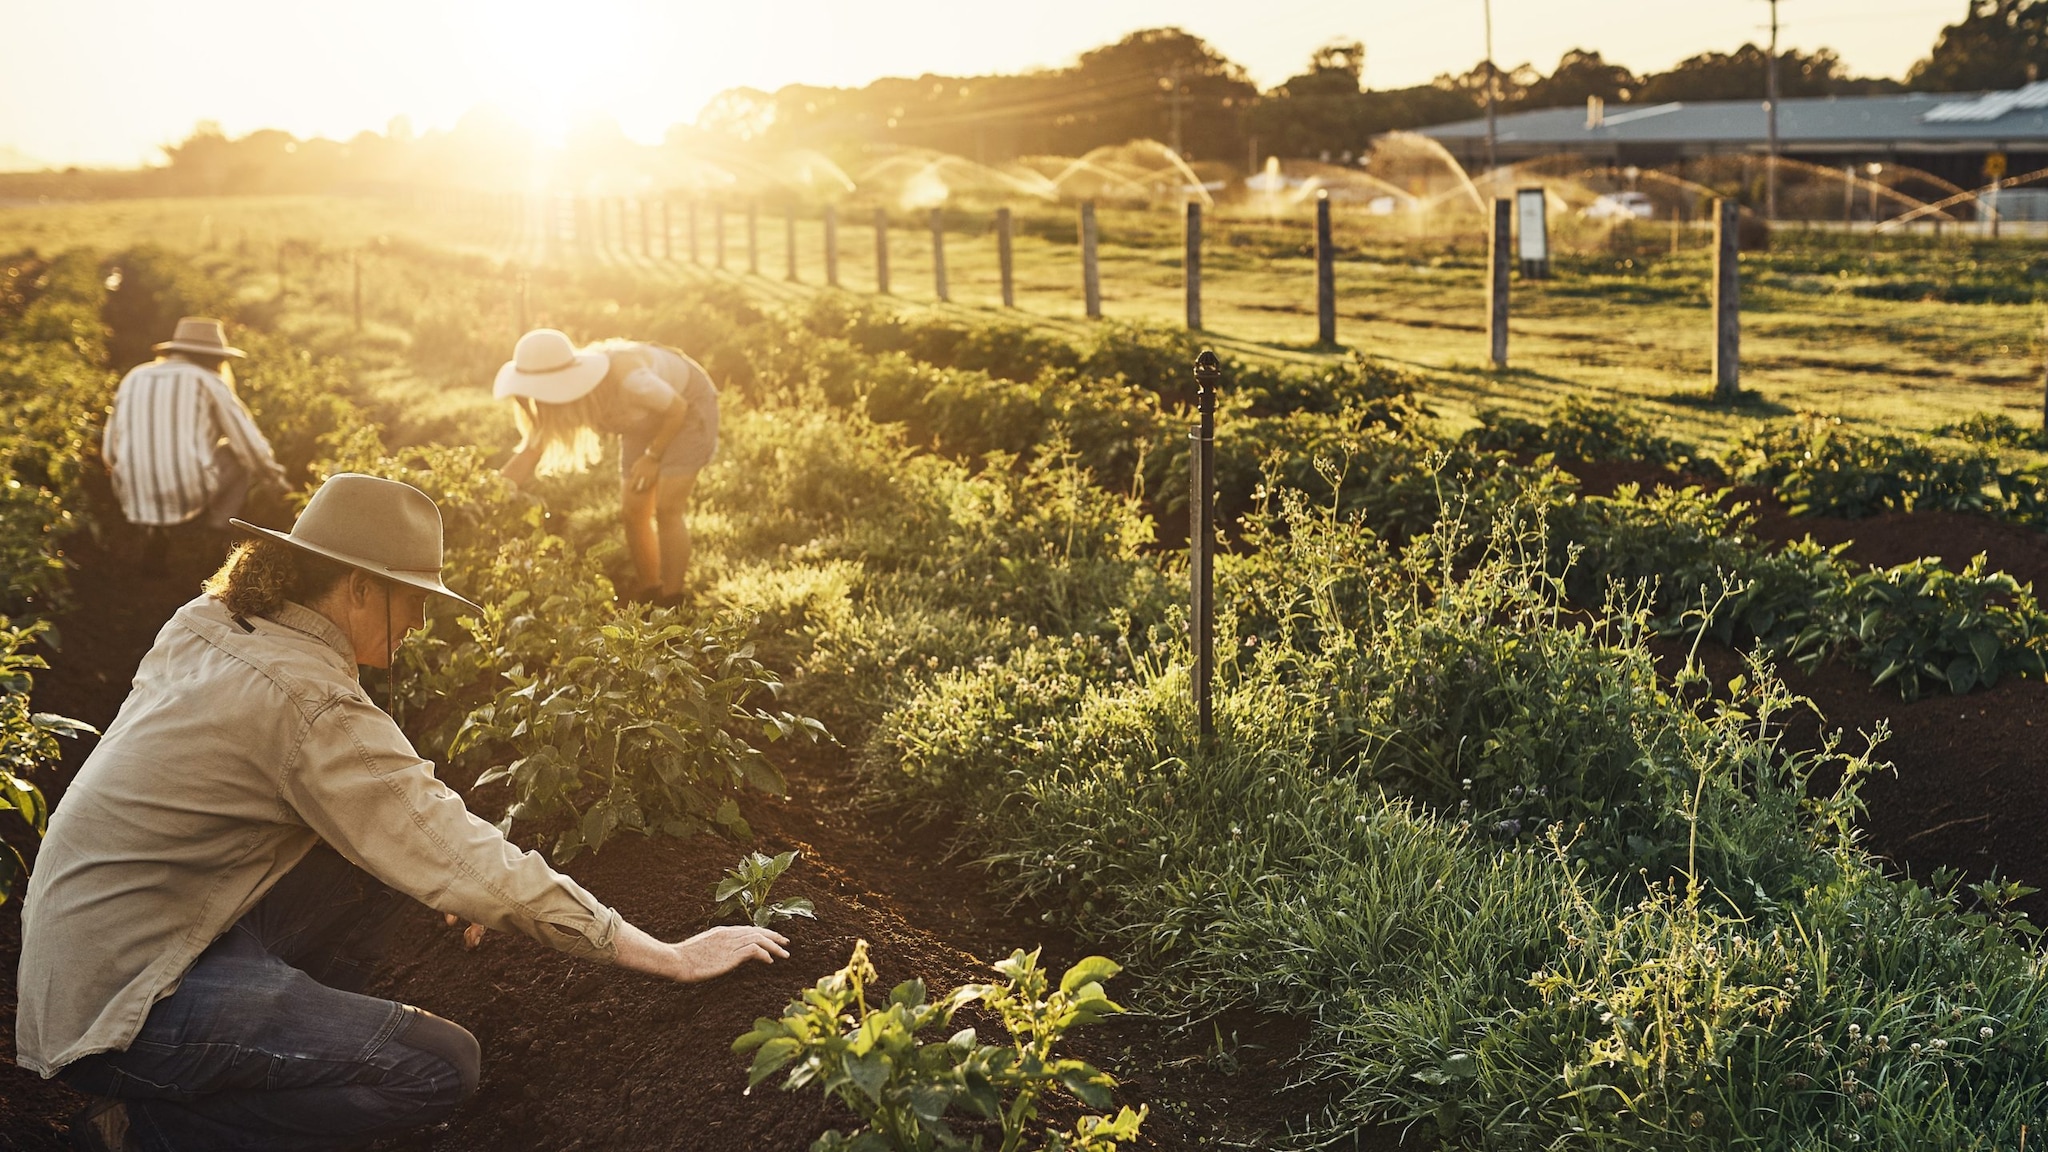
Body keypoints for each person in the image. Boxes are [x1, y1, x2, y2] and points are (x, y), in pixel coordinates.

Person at [14, 473, 790, 1151]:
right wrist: (668, 954)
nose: (418, 624)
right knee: (438, 1067)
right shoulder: (309, 701)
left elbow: (408, 835)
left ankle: (260, 1051)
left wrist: (442, 877)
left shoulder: (210, 623)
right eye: (413, 601)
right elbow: (454, 847)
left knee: (370, 871)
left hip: (83, 956)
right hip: (127, 1010)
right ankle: (151, 1133)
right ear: (357, 587)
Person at [494, 329, 719, 605]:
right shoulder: (558, 404)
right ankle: (650, 594)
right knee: (633, 510)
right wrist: (488, 493)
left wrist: (653, 456)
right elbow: (530, 451)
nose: (538, 401)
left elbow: (677, 408)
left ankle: (672, 601)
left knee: (667, 508)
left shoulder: (631, 382)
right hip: (642, 420)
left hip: (686, 409)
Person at [101, 317, 289, 558]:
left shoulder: (135, 376)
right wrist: (277, 484)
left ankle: (152, 530)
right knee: (236, 453)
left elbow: (109, 452)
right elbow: (249, 444)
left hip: (134, 494)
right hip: (188, 494)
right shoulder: (208, 381)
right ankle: (215, 531)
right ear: (214, 357)